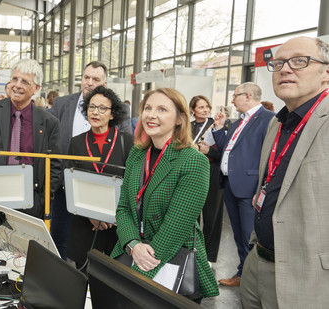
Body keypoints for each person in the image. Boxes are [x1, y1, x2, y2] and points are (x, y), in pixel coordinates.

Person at [240, 36, 329, 309]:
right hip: (259, 262)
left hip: (307, 276)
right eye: (278, 63)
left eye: (300, 61)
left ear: (326, 72)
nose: (285, 69)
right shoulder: (278, 124)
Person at [110, 88, 218, 302]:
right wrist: (133, 245)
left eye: (162, 109)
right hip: (135, 251)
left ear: (179, 118)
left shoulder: (193, 161)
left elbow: (176, 227)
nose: (151, 115)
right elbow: (123, 209)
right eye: (148, 108)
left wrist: (140, 270)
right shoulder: (137, 154)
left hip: (171, 262)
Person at [0, 59, 61, 219]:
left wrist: (42, 202)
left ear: (36, 88)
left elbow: (54, 167)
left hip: (31, 205)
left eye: (25, 81)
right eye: (15, 79)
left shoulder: (49, 122)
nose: (17, 85)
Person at [212, 82, 275, 287]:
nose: (232, 100)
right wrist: (220, 128)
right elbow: (226, 149)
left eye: (235, 96)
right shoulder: (239, 121)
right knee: (239, 236)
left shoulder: (267, 119)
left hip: (250, 188)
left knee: (249, 236)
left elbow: (271, 157)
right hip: (231, 185)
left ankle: (252, 279)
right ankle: (242, 273)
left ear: (247, 96)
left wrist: (263, 188)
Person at [65, 86, 133, 270]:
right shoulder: (77, 142)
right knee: (84, 280)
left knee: (114, 281)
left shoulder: (127, 141)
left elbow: (133, 183)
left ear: (113, 114)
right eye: (92, 107)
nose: (96, 112)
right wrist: (91, 216)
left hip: (117, 226)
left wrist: (112, 216)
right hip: (86, 224)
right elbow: (71, 183)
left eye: (103, 108)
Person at [49, 61, 109, 259]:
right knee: (59, 238)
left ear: (104, 84)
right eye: (86, 78)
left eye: (96, 79)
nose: (89, 83)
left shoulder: (115, 109)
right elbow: (52, 142)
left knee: (92, 242)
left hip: (97, 186)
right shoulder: (62, 104)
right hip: (64, 186)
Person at [189, 95, 223, 265]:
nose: (205, 110)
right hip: (191, 174)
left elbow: (224, 153)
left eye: (207, 107)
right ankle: (191, 250)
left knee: (212, 217)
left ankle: (209, 257)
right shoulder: (186, 127)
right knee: (191, 216)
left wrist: (209, 151)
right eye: (201, 107)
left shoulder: (217, 126)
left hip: (212, 174)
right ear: (192, 110)